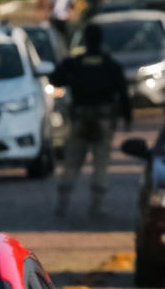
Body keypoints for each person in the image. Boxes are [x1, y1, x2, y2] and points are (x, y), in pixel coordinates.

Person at [49, 24, 132, 218]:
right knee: (101, 164)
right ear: (101, 39)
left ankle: (62, 204)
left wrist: (72, 79)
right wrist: (127, 117)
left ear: (85, 40)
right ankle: (97, 206)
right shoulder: (110, 64)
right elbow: (123, 93)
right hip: (103, 121)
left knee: (71, 163)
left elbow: (55, 78)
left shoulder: (75, 63)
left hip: (80, 119)